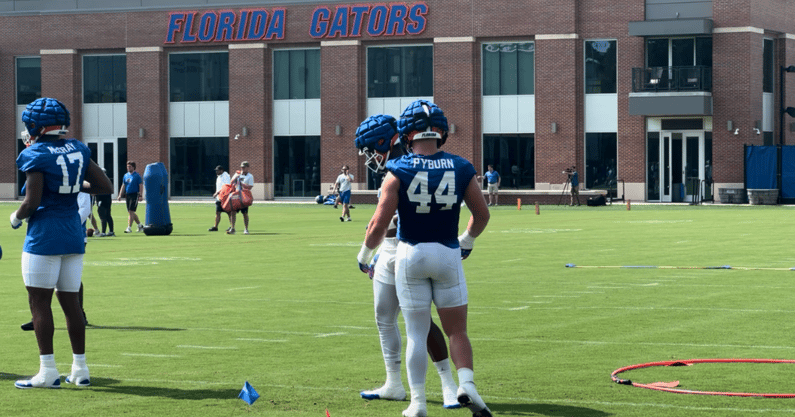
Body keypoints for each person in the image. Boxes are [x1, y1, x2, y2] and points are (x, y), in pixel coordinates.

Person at [357, 100, 492, 417]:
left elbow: (380, 224)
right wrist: (467, 240)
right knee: (455, 330)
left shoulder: (399, 168)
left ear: (404, 134)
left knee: (417, 329)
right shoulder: (460, 165)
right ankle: (463, 383)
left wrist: (365, 254)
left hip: (407, 251)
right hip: (447, 252)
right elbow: (482, 214)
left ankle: (419, 402)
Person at [354, 114, 460, 410]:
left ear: (385, 141)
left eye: (369, 149)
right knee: (384, 316)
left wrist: (365, 250)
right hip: (389, 250)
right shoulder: (394, 166)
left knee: (420, 322)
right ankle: (393, 383)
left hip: (409, 248)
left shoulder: (408, 165)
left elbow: (393, 219)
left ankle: (448, 385)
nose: (368, 158)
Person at [11, 97, 113, 389]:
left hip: (44, 235)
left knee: (39, 304)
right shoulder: (78, 147)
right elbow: (104, 186)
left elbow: (32, 202)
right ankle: (80, 369)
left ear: (35, 125)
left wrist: (15, 218)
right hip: (73, 233)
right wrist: (70, 185)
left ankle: (48, 371)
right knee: (71, 304)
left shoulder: (37, 153)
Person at [20, 190, 92, 331]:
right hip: (46, 233)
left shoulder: (77, 179)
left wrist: (69, 224)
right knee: (37, 278)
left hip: (72, 234)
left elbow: (85, 208)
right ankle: (36, 317)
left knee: (71, 278)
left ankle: (80, 313)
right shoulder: (46, 178)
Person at [228, 161, 254, 235]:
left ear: (247, 168)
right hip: (236, 195)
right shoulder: (238, 174)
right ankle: (232, 228)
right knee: (233, 212)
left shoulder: (250, 176)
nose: (242, 168)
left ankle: (246, 229)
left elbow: (250, 187)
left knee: (245, 213)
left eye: (244, 167)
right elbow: (231, 182)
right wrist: (236, 177)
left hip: (244, 196)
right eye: (242, 167)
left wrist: (243, 184)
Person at [118, 161, 143, 233]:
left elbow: (140, 185)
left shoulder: (137, 175)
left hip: (134, 194)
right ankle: (140, 225)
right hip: (127, 195)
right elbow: (123, 185)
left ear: (133, 167)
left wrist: (140, 195)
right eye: (127, 166)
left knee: (131, 211)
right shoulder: (126, 175)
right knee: (130, 212)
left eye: (130, 166)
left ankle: (129, 228)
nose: (128, 168)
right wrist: (120, 195)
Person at [209, 165, 231, 232]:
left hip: (225, 198)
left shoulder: (226, 176)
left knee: (229, 213)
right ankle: (215, 227)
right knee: (218, 212)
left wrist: (217, 193)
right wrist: (217, 192)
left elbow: (226, 186)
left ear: (221, 170)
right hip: (219, 198)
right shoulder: (219, 177)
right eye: (216, 170)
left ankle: (231, 226)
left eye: (218, 170)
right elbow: (219, 187)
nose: (216, 172)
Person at [95, 171, 115, 237]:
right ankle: (111, 231)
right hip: (108, 200)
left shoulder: (101, 181)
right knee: (108, 215)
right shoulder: (107, 180)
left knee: (102, 215)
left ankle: (103, 232)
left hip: (102, 200)